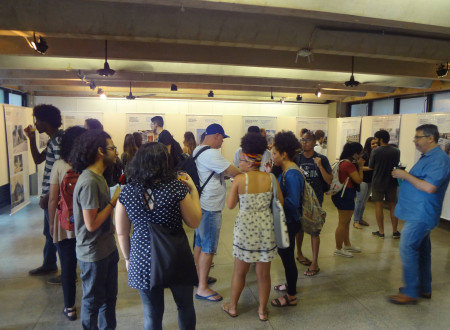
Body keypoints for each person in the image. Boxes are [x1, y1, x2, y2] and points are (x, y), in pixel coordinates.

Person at [115, 142, 202, 329]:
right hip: (175, 255)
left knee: (151, 314)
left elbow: (122, 233)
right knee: (185, 306)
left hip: (142, 257)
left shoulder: (127, 192)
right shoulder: (176, 189)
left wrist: (128, 259)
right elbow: (194, 221)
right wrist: (193, 189)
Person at [222, 133, 282, 321]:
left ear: (249, 161)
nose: (238, 163)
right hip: (265, 228)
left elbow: (230, 205)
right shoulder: (270, 178)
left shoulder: (240, 180)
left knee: (240, 271)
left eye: (241, 159)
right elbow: (279, 201)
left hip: (245, 229)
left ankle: (232, 307)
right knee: (263, 274)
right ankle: (262, 311)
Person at [389, 124, 450, 305]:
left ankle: (411, 292)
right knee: (422, 251)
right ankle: (423, 287)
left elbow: (429, 187)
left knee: (407, 248)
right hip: (418, 211)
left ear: (430, 138)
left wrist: (405, 175)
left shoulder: (438, 160)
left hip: (422, 214)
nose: (414, 140)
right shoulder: (428, 157)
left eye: (418, 137)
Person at [71, 130, 121, 329]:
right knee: (93, 302)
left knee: (109, 299)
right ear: (100, 151)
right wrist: (113, 201)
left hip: (106, 248)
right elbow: (91, 224)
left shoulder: (98, 177)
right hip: (93, 253)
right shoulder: (90, 181)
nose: (116, 152)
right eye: (112, 148)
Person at [193, 123, 240, 302]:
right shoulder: (212, 153)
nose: (222, 143)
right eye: (222, 139)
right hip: (210, 206)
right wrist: (245, 173)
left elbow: (218, 172)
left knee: (199, 243)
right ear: (217, 136)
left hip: (200, 204)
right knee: (208, 247)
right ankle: (203, 288)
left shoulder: (198, 150)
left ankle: (199, 278)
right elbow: (232, 170)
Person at [47, 126, 87, 321]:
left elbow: (53, 199)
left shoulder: (59, 165)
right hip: (86, 222)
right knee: (88, 265)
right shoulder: (89, 164)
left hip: (64, 223)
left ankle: (70, 307)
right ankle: (91, 302)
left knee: (68, 266)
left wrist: (51, 224)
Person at [25, 104, 64, 280]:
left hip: (54, 197)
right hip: (50, 195)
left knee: (58, 234)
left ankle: (67, 272)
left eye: (37, 120)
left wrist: (48, 197)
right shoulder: (53, 140)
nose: (35, 124)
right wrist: (31, 138)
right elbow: (38, 159)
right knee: (50, 233)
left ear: (44, 121)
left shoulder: (58, 141)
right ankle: (49, 264)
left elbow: (62, 173)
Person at [269, 131, 304, 308]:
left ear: (284, 154)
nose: (272, 156)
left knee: (288, 259)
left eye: (274, 153)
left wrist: (275, 200)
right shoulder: (285, 170)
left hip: (289, 222)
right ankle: (290, 285)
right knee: (285, 257)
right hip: (286, 221)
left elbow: (293, 202)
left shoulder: (292, 174)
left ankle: (291, 296)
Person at [294, 131, 332, 276]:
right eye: (302, 140)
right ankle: (299, 253)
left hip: (316, 200)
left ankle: (315, 263)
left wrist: (320, 166)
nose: (304, 143)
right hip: (300, 199)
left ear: (315, 142)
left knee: (315, 231)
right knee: (299, 228)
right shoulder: (297, 158)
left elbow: (329, 180)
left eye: (307, 140)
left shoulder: (321, 158)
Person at [332, 142, 365, 258]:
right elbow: (359, 180)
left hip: (342, 194)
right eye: (360, 153)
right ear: (355, 153)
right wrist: (360, 167)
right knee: (342, 223)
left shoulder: (342, 162)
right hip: (345, 195)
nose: (361, 156)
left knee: (346, 222)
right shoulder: (348, 165)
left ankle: (347, 244)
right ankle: (338, 248)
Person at [370, 130, 401, 239]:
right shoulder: (396, 151)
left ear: (380, 139)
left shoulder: (375, 151)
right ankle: (395, 231)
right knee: (393, 206)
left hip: (378, 181)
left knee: (379, 206)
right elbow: (397, 164)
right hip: (392, 181)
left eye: (376, 138)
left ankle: (381, 232)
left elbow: (371, 166)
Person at [353, 137, 378, 229]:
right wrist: (370, 168)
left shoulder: (376, 154)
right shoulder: (364, 155)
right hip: (362, 180)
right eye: (373, 144)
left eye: (376, 143)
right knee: (359, 200)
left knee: (364, 201)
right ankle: (355, 221)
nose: (375, 145)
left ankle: (360, 218)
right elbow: (358, 167)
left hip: (370, 180)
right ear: (368, 145)